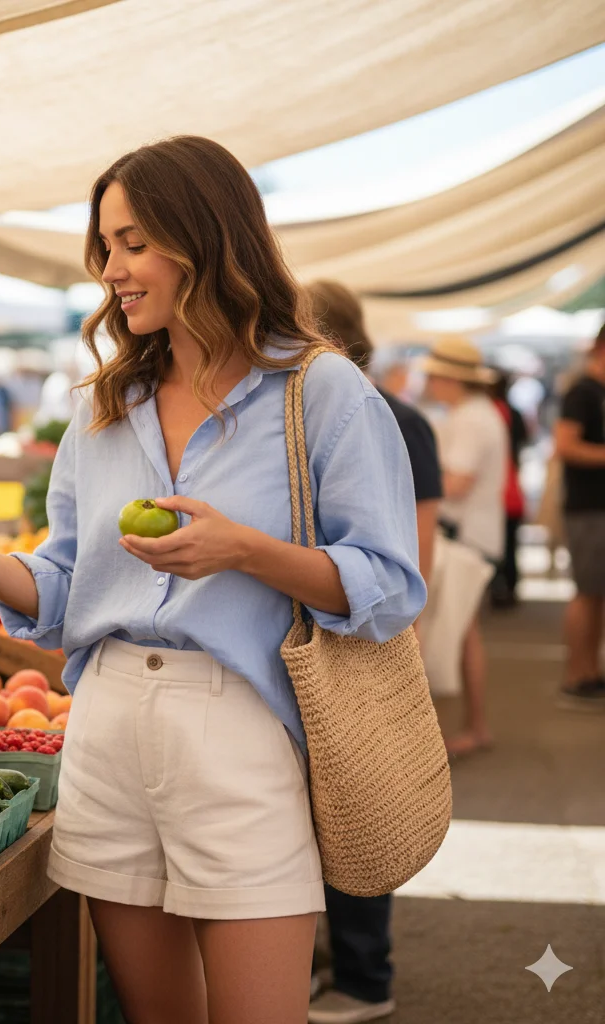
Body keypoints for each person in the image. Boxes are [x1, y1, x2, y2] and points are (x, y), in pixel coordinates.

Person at [0, 136, 424, 1024]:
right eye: (106, 246)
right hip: (108, 727)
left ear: (204, 239)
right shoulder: (103, 404)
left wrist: (244, 551)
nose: (111, 269)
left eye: (133, 243)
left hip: (239, 725)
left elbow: (387, 586)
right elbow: (63, 587)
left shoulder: (320, 391)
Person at [304, 280, 442, 1023]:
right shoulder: (305, 407)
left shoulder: (384, 414)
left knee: (362, 802)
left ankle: (365, 975)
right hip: (327, 624)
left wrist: (402, 628)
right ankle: (326, 963)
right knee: (325, 807)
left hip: (363, 629)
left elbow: (416, 542)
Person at [423, 336, 507, 757]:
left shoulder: (471, 418)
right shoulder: (473, 413)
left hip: (465, 537)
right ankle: (474, 726)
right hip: (473, 534)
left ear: (450, 379)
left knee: (458, 631)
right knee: (463, 632)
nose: (429, 384)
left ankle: (471, 728)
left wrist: (418, 481)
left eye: (434, 376)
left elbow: (457, 483)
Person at [555, 321, 605, 710]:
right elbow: (565, 445)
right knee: (587, 593)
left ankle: (591, 671)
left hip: (596, 507)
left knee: (596, 595)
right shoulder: (582, 392)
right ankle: (577, 674)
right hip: (587, 507)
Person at [489, 373, 528, 609]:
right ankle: (510, 589)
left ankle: (497, 590)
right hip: (512, 482)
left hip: (499, 486)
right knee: (511, 543)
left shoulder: (489, 412)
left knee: (497, 543)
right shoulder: (514, 412)